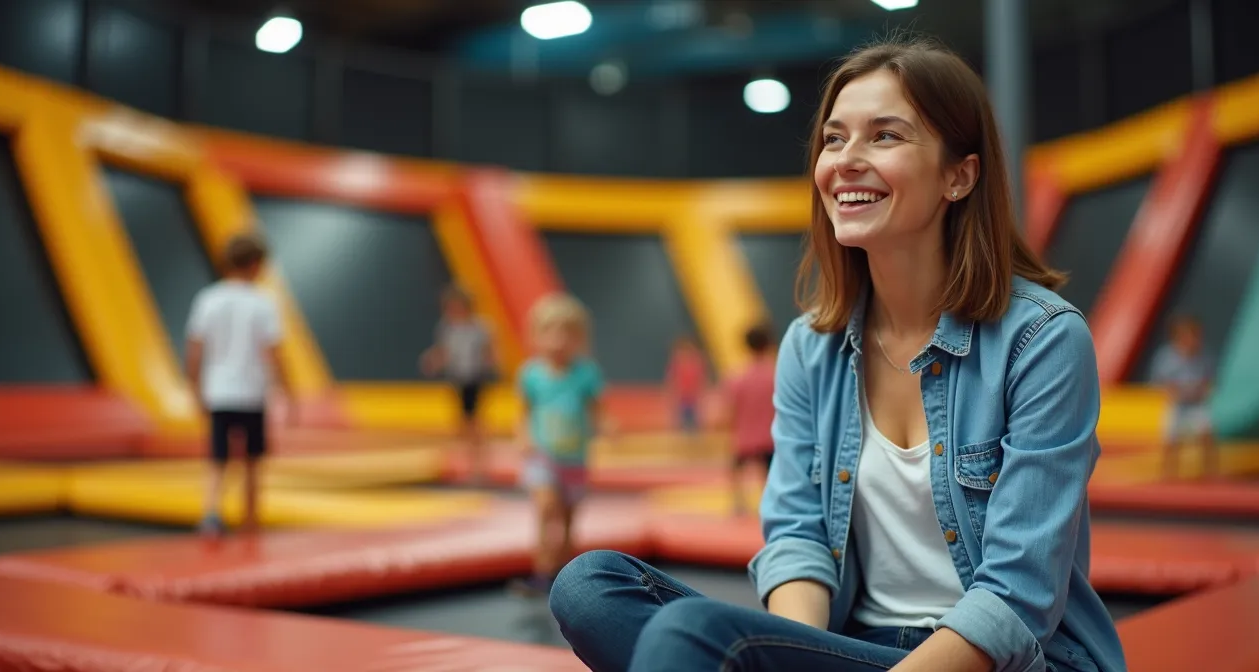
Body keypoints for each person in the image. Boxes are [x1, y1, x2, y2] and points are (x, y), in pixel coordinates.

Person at [548, 35, 1127, 672]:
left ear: (959, 175)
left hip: (1005, 661)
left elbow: (1017, 598)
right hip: (856, 648)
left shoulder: (1040, 339)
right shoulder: (810, 346)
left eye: (885, 136)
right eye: (834, 138)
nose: (846, 160)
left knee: (693, 636)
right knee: (589, 585)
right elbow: (798, 537)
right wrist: (797, 656)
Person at [185, 232, 293, 538]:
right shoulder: (262, 303)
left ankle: (211, 513)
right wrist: (289, 392)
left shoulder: (208, 299)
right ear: (256, 264)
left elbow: (194, 350)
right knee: (252, 462)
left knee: (218, 458)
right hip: (251, 393)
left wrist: (195, 390)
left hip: (218, 392)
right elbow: (274, 353)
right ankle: (250, 519)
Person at [511, 292, 608, 596]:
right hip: (543, 456)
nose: (558, 340)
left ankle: (563, 574)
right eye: (550, 332)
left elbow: (596, 410)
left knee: (568, 518)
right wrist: (524, 437)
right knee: (545, 507)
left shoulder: (586, 373)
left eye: (567, 333)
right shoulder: (531, 374)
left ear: (580, 338)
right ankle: (541, 570)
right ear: (536, 336)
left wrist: (606, 425)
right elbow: (524, 413)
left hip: (574, 458)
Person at [420, 286, 495, 483]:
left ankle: (479, 466)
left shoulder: (480, 327)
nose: (453, 310)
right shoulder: (447, 327)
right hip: (457, 378)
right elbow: (444, 351)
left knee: (474, 421)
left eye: (456, 306)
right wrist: (434, 360)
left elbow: (488, 352)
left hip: (475, 377)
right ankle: (470, 463)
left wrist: (491, 364)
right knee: (462, 423)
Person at [719, 323, 778, 517]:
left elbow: (729, 410)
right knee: (770, 476)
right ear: (768, 344)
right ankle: (769, 505)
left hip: (745, 439)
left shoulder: (738, 376)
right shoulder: (776, 374)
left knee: (737, 472)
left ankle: (739, 504)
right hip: (770, 438)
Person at [1149, 316, 1217, 480]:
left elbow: (1209, 380)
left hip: (1196, 404)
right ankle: (1168, 474)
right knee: (1171, 439)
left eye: (1195, 336)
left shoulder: (1204, 357)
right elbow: (1160, 382)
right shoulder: (1167, 357)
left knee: (1206, 434)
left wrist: (1202, 391)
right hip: (1177, 404)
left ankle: (1209, 473)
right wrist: (1175, 392)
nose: (1192, 340)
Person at [665, 334, 707, 434]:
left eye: (688, 348)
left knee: (694, 418)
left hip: (694, 396)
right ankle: (684, 432)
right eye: (683, 349)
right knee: (683, 418)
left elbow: (702, 379)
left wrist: (702, 393)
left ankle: (694, 432)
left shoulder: (697, 361)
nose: (686, 352)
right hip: (682, 396)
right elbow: (672, 379)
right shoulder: (677, 362)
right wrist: (672, 393)